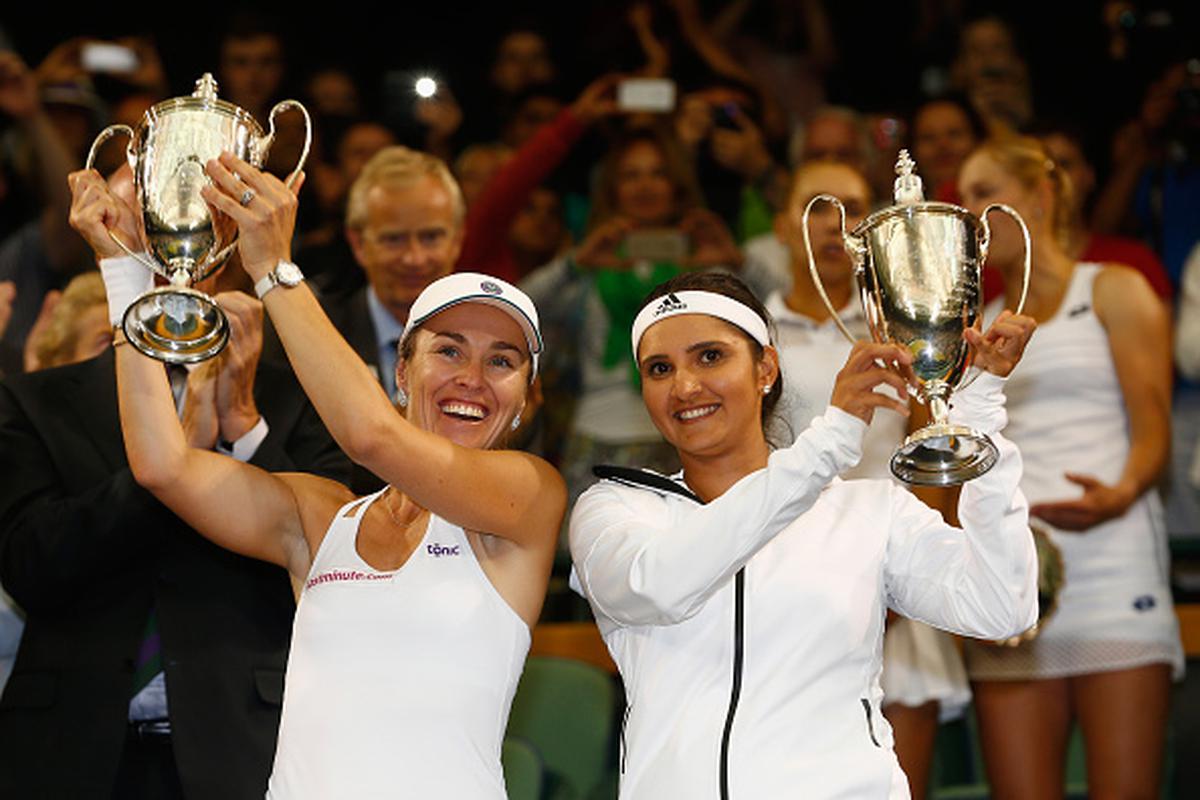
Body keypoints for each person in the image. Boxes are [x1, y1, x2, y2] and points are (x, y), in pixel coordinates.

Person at [92, 149, 565, 797]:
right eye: (449, 350)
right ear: (402, 373)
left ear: (525, 399)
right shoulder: (324, 517)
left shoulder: (529, 496)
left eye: (503, 361)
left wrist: (270, 269)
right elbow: (163, 465)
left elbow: (370, 434)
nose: (471, 380)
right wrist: (121, 271)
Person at [569, 269, 1038, 798]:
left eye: (710, 356)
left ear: (765, 366)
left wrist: (980, 421)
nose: (685, 386)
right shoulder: (615, 510)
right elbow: (656, 587)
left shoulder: (864, 509)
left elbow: (1002, 607)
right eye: (659, 368)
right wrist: (828, 444)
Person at [0, 167, 349, 799]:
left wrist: (245, 428)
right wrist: (174, 462)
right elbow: (31, 566)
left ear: (221, 236)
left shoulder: (304, 395)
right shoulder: (36, 400)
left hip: (244, 748)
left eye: (187, 218)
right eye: (149, 219)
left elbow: (339, 563)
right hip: (68, 752)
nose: (167, 241)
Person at [957, 136, 1181, 799]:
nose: (968, 215)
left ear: (1039, 195)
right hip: (1016, 584)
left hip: (1115, 566)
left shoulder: (1115, 288)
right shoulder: (977, 328)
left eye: (981, 193)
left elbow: (1153, 427)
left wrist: (1121, 493)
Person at [771, 160, 972, 800]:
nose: (838, 226)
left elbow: (932, 447)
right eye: (820, 207)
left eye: (854, 209)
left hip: (891, 581)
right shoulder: (752, 333)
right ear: (785, 224)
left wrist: (904, 571)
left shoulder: (910, 322)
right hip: (785, 583)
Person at [322, 145, 465, 491]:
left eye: (431, 237)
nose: (414, 259)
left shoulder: (498, 349)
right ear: (358, 244)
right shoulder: (320, 339)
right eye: (394, 239)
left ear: (458, 239)